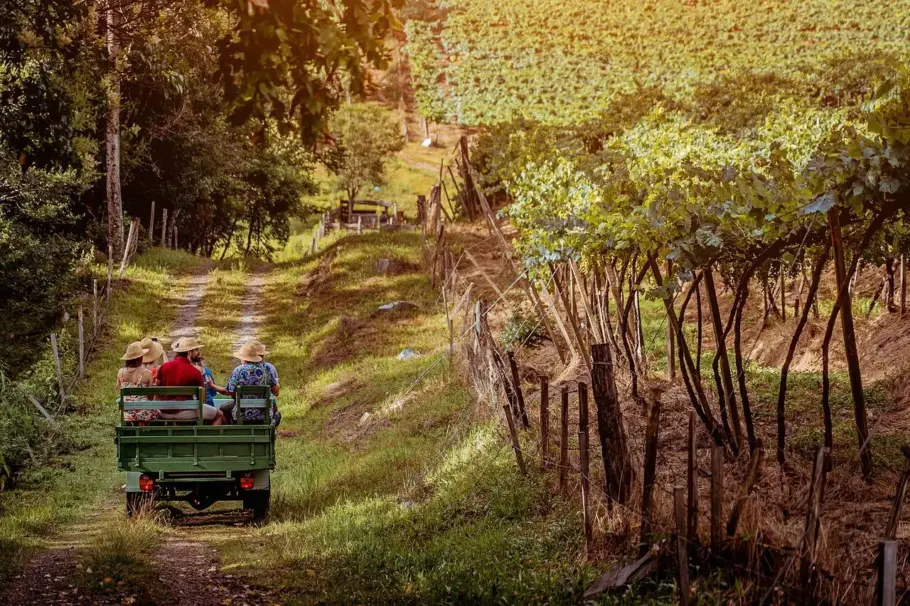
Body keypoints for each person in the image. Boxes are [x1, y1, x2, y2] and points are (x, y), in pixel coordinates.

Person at [156, 337, 225, 425]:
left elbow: (157, 391)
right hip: (185, 412)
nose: (198, 353)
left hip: (164, 412)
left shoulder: (164, 367)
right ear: (189, 352)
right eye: (196, 350)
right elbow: (202, 399)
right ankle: (209, 438)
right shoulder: (195, 371)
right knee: (219, 415)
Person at [221, 341, 281, 425]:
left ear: (244, 358)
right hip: (264, 414)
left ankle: (233, 429)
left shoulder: (238, 370)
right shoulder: (267, 369)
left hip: (242, 414)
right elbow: (275, 390)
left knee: (223, 408)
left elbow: (231, 392)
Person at [117, 341, 159, 424]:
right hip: (144, 414)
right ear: (140, 358)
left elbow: (118, 389)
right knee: (157, 412)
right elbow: (150, 397)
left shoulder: (120, 372)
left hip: (126, 414)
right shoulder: (147, 373)